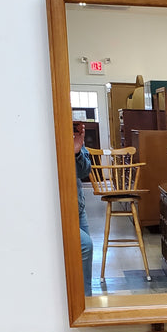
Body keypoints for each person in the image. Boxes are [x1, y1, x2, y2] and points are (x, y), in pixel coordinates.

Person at [73, 121, 93, 295]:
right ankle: (83, 300)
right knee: (85, 246)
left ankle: (87, 301)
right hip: (62, 208)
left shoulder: (74, 140)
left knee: (83, 259)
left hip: (78, 207)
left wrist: (77, 150)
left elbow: (85, 171)